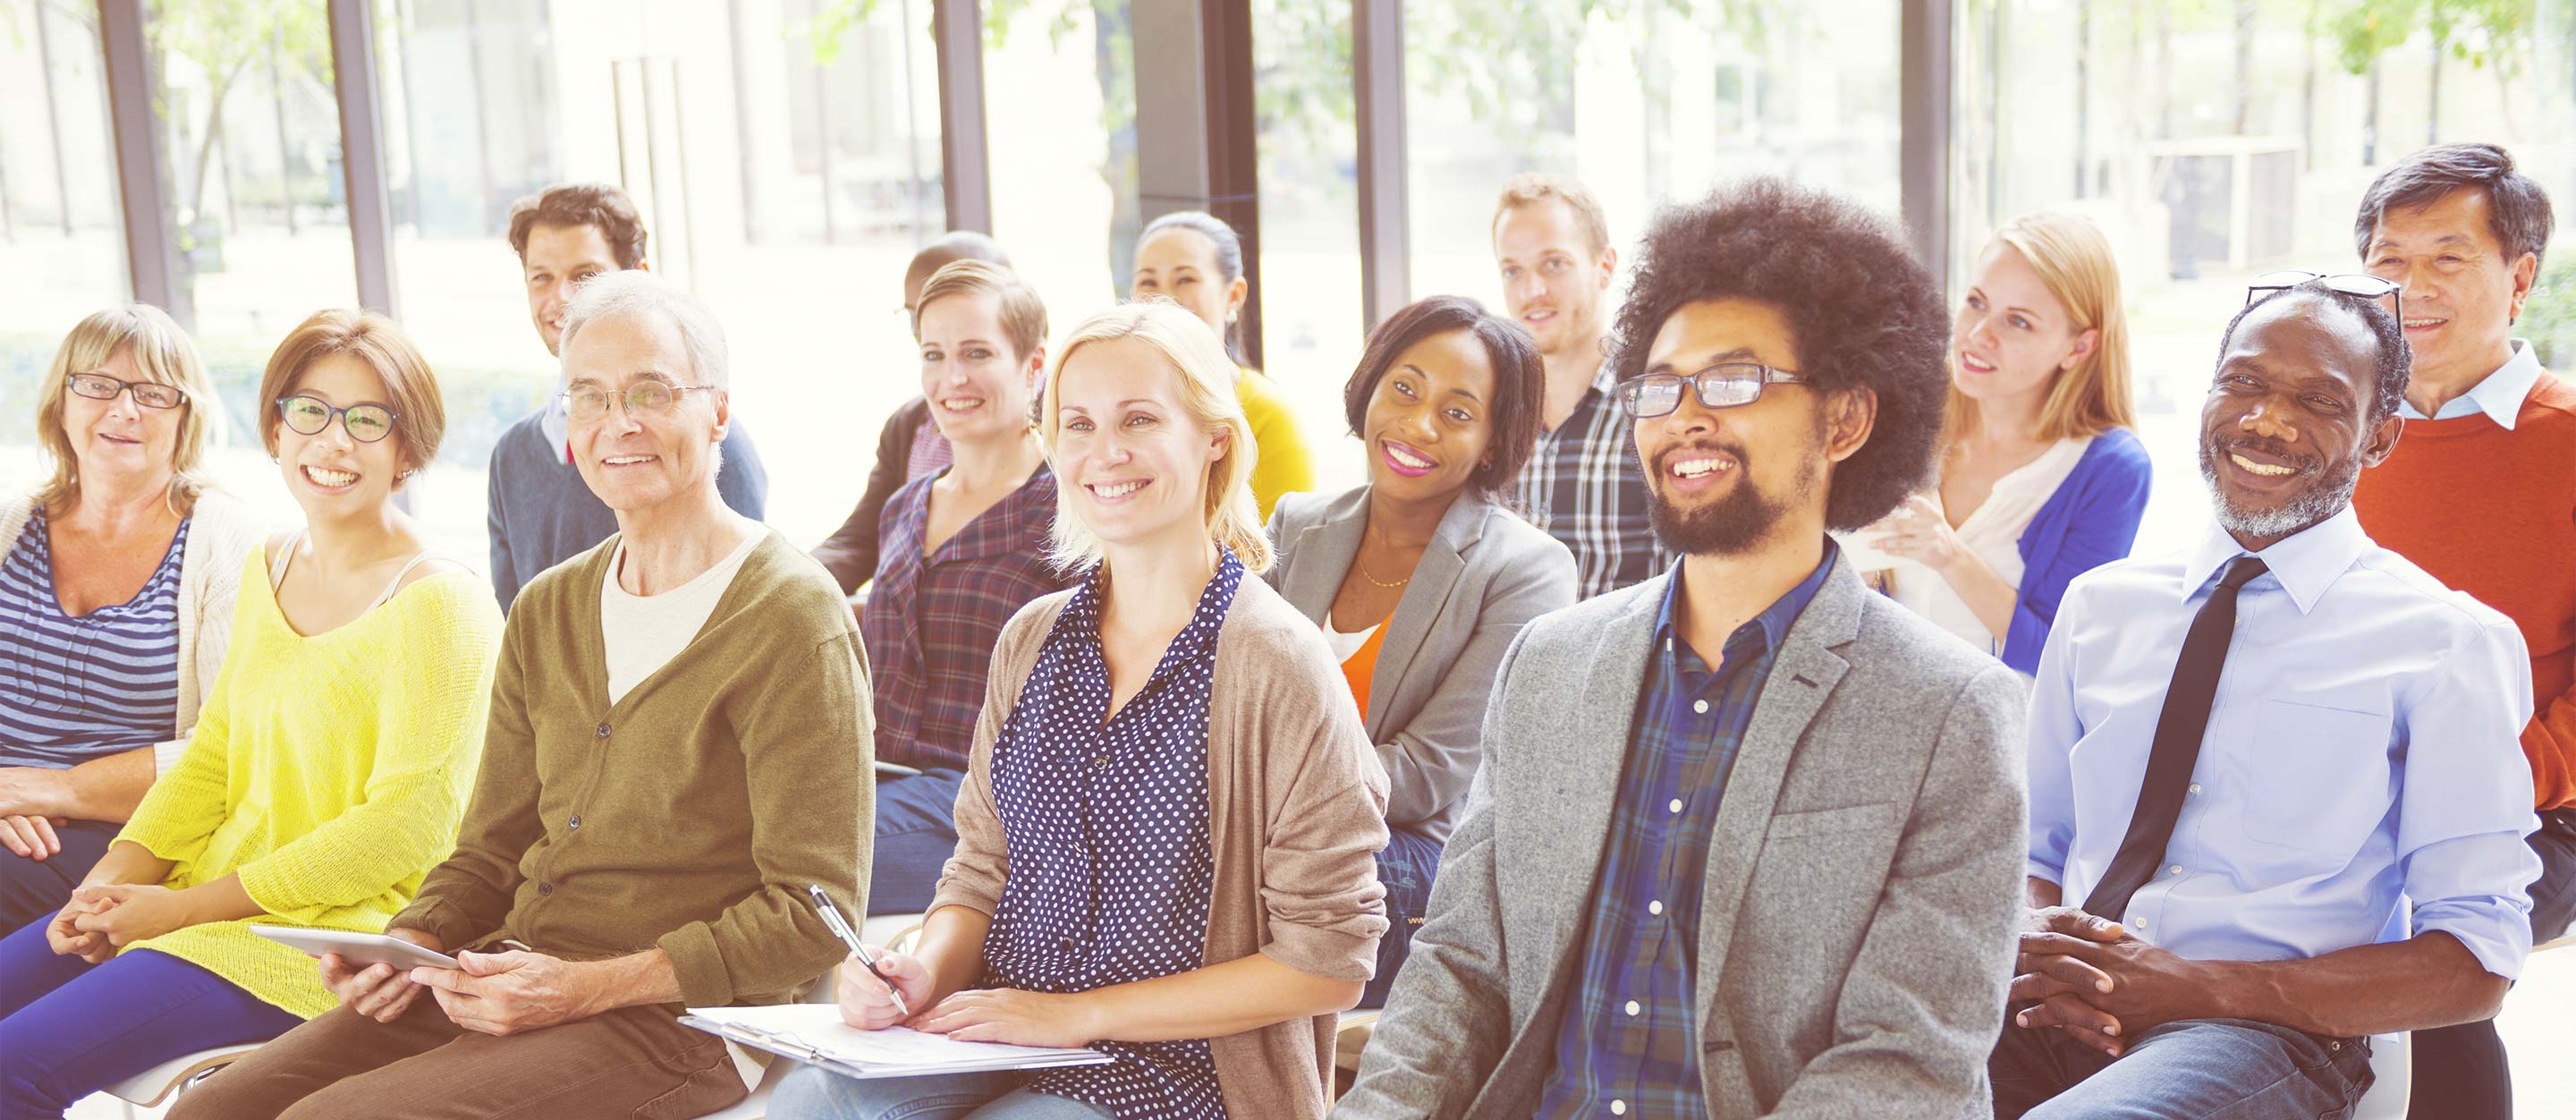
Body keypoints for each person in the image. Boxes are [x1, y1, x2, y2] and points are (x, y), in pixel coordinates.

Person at [1339, 179, 2029, 1118]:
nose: (1685, 416)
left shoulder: (1950, 712)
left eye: (1735, 380)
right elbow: (1460, 968)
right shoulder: (1550, 665)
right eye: (1660, 386)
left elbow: (1906, 1062)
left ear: (1846, 421)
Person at [168, 272, 872, 1120]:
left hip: (686, 1022)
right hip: (506, 977)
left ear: (716, 412)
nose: (621, 422)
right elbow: (489, 847)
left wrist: (578, 990)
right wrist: (412, 943)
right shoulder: (549, 608)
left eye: (652, 391)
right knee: (210, 1112)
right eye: (590, 398)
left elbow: (816, 912)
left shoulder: (792, 617)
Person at [770, 301, 1388, 1120]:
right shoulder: (1031, 638)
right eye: (1078, 424)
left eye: (1139, 419)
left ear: (1215, 438)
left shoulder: (1276, 663)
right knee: (813, 1103)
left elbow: (1331, 962)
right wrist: (922, 967)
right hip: (997, 1031)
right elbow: (979, 870)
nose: (1106, 453)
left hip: (1180, 1072)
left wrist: (1077, 1015)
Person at [1996, 277, 2541, 1119]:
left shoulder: (2446, 642)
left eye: (2318, 400)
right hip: (2048, 1002)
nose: (2266, 422)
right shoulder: (2102, 605)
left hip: (2262, 1033)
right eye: (2244, 383)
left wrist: (2197, 989)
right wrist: (2034, 936)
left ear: (2380, 437)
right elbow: (2036, 850)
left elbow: (2476, 958)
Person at [0, 309, 501, 1120]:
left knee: (10, 1070)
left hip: (316, 942)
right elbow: (214, 758)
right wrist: (109, 884)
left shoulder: (441, 604)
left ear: (409, 451)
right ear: (275, 429)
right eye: (309, 411)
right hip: (199, 903)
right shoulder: (274, 563)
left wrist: (181, 908)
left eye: (367, 421)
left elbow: (406, 828)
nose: (332, 442)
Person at [2345, 142, 2575, 1120]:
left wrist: (2487, 773)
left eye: (2448, 257)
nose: (2412, 287)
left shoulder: (2568, 438)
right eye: (2390, 261)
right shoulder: (2335, 429)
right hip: (2344, 787)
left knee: (2416, 936)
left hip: (2532, 808)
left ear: (2518, 278)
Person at [1262, 295, 1573, 1007]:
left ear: (1493, 442)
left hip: (1403, 859)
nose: (1418, 424)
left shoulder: (1526, 569)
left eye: (1458, 413)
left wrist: (1261, 800)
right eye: (1404, 388)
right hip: (1271, 837)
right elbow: (1220, 698)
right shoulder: (1295, 525)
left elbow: (1431, 775)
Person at [0, 306, 264, 934]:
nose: (124, 410)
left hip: (129, 842)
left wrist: (52, 789)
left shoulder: (230, 544)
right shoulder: (11, 526)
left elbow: (235, 750)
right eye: (97, 385)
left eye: (153, 393)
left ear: (186, 417)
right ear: (61, 401)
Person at [863, 260, 1072, 916]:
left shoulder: (1072, 512)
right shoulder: (904, 506)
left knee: (798, 863)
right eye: (935, 355)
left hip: (988, 807)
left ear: (1034, 366)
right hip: (873, 781)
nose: (952, 378)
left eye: (977, 353)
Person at [1858, 212, 2151, 674]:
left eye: (2018, 321)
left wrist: (1949, 555)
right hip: (1892, 715)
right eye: (1976, 302)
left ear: (2079, 348)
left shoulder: (2108, 469)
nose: (1978, 336)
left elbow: (2058, 655)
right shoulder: (1912, 407)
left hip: (2005, 732)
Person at [486, 181, 769, 611]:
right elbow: (515, 628)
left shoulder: (709, 445)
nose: (561, 299)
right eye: (542, 277)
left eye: (585, 277)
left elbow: (743, 602)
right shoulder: (512, 457)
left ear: (638, 278)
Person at [814, 231, 1017, 595]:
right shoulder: (910, 427)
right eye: (918, 317)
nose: (932, 329)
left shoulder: (1069, 424)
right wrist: (785, 584)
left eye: (977, 350)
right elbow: (862, 540)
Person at [1490, 174, 1663, 598]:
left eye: (1554, 263)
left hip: (1620, 662)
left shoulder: (1656, 405)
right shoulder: (1488, 408)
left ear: (1604, 267)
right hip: (1505, 663)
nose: (1532, 290)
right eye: (1513, 270)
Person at [1131, 210, 1315, 520]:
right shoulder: (1106, 403)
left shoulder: (1266, 412)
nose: (1163, 297)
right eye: (1149, 281)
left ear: (1234, 294)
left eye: (1185, 279)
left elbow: (1283, 554)